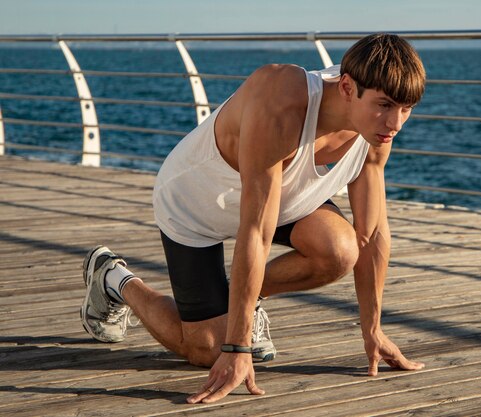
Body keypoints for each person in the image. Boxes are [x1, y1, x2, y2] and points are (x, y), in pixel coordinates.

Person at [80, 33, 427, 404]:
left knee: (340, 250)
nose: (396, 122)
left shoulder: (376, 128)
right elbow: (257, 231)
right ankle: (115, 279)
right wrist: (236, 347)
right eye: (386, 105)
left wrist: (372, 330)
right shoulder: (283, 97)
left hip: (283, 201)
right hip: (196, 204)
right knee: (207, 349)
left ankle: (242, 301)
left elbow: (371, 234)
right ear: (347, 87)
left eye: (406, 108)